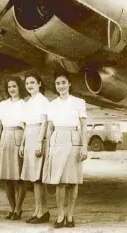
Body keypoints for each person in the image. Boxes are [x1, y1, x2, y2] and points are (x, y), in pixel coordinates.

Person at [43, 72, 87, 228]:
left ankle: (70, 215)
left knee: (73, 180)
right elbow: (49, 127)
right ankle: (60, 215)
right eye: (57, 83)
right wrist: (48, 148)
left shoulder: (79, 102)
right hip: (57, 139)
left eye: (63, 82)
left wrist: (84, 146)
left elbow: (83, 126)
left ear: (69, 84)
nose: (60, 86)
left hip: (74, 139)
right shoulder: (52, 104)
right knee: (59, 181)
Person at [0, 77, 26, 220]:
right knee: (7, 177)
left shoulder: (25, 104)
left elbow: (27, 125)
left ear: (19, 87)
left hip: (19, 136)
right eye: (9, 87)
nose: (12, 89)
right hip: (5, 137)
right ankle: (12, 208)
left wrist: (24, 144)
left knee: (19, 177)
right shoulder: (2, 105)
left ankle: (19, 209)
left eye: (14, 86)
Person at [20, 72, 50, 224]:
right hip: (29, 136)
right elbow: (26, 125)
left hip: (38, 136)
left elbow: (44, 123)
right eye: (27, 83)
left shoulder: (42, 100)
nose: (29, 85)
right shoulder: (29, 101)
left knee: (38, 178)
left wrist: (39, 142)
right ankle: (38, 210)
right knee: (34, 178)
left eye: (32, 82)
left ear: (39, 83)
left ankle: (43, 211)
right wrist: (23, 143)